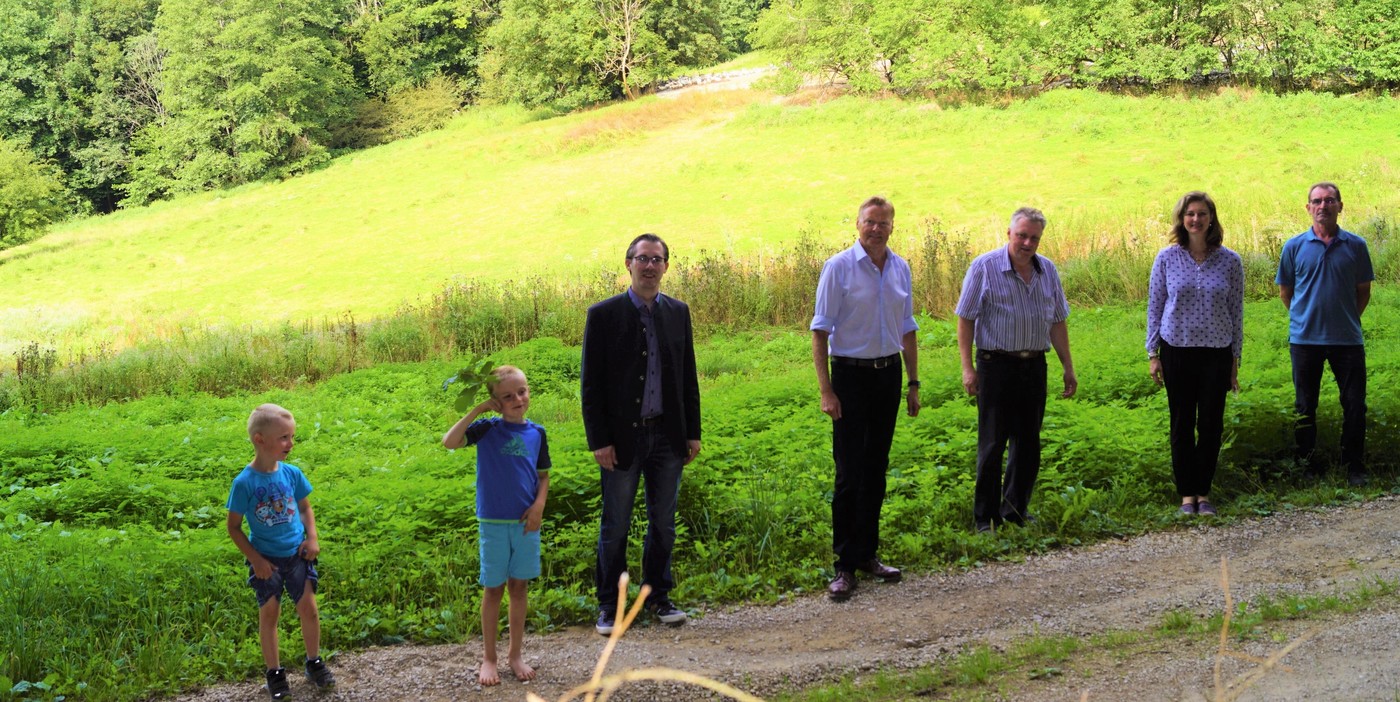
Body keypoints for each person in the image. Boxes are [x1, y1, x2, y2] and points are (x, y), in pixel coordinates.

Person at [581, 233, 701, 635]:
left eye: (657, 259)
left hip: (668, 437)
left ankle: (658, 596)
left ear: (666, 266)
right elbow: (591, 385)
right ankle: (610, 606)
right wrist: (598, 439)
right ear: (628, 264)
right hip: (622, 440)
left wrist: (693, 432)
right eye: (642, 258)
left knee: (663, 523)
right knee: (615, 523)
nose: (649, 266)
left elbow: (688, 378)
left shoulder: (678, 312)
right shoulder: (603, 315)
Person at [811, 196, 920, 602]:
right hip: (850, 379)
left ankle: (868, 555)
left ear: (893, 225)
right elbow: (820, 332)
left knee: (876, 470)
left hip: (888, 376)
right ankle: (843, 566)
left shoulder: (900, 267)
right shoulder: (838, 268)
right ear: (857, 223)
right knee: (849, 474)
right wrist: (827, 391)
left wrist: (913, 382)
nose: (876, 229)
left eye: (884, 222)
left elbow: (907, 327)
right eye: (870, 222)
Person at [956, 207, 1077, 533]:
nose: (1027, 242)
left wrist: (1068, 366)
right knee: (993, 444)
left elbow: (1058, 321)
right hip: (996, 366)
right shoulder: (984, 267)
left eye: (1034, 237)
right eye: (1022, 235)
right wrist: (968, 368)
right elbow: (965, 318)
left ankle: (1014, 511)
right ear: (1009, 233)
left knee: (1027, 443)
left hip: (1034, 365)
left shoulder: (1047, 270)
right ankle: (985, 518)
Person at [442, 366, 550, 686]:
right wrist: (477, 410)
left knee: (519, 588)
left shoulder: (537, 433)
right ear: (495, 401)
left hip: (526, 523)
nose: (518, 399)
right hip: (493, 522)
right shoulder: (487, 429)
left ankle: (515, 654)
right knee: (493, 589)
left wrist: (539, 506)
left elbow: (543, 475)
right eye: (507, 396)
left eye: (522, 391)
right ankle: (489, 657)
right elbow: (449, 441)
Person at [226, 403, 336, 700]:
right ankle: (275, 673)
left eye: (292, 436)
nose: (291, 443)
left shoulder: (292, 473)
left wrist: (312, 537)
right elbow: (233, 528)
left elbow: (304, 507)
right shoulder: (244, 483)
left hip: (298, 554)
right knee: (270, 613)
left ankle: (313, 662)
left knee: (309, 610)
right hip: (267, 561)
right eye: (284, 437)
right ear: (260, 440)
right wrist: (256, 560)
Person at [1146, 192, 1244, 517]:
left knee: (1212, 425)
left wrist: (1235, 359)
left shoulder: (1231, 261)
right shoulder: (1166, 258)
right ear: (1182, 219)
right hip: (1177, 350)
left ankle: (1205, 493)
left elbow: (1237, 312)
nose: (1196, 220)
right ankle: (1186, 495)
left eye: (1202, 214)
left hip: (1216, 354)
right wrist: (1153, 353)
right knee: (1182, 424)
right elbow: (1155, 306)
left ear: (1211, 218)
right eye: (1190, 214)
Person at [1276, 181, 1374, 486]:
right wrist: (1307, 319)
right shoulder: (1294, 247)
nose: (1323, 206)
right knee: (1305, 406)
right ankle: (1306, 466)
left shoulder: (1356, 246)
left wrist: (1344, 319)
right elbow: (1286, 292)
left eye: (1330, 200)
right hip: (1305, 341)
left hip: (1347, 339)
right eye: (1317, 201)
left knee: (1355, 404)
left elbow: (1363, 291)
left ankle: (1353, 466)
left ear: (1340, 206)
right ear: (1308, 208)